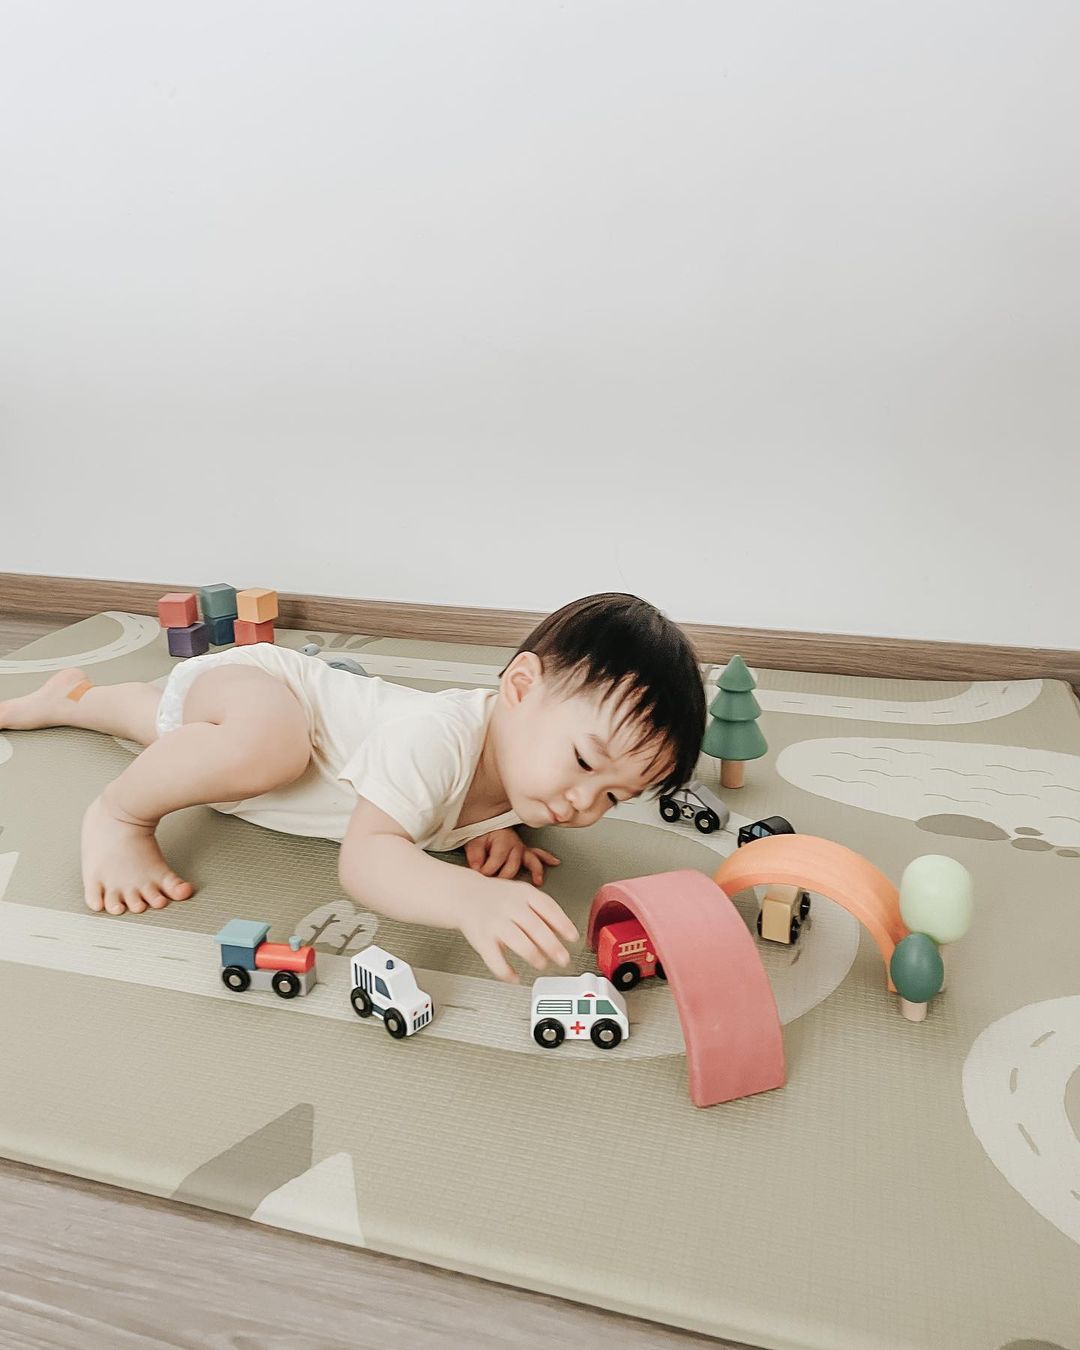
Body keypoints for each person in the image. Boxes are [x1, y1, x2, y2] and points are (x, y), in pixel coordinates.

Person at [0, 592, 706, 982]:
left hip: (239, 768)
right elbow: (368, 858)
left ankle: (72, 698)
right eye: (584, 762)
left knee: (160, 721)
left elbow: (470, 800)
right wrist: (467, 895)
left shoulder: (520, 774)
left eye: (613, 798)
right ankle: (118, 816)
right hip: (270, 697)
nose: (583, 803)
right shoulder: (437, 737)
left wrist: (500, 827)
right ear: (519, 687)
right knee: (260, 744)